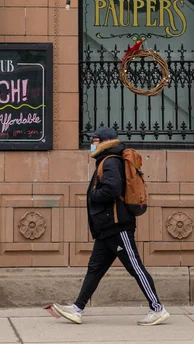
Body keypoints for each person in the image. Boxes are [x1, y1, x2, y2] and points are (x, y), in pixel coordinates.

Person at [51, 127, 169, 326]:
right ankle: (77, 308)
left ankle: (157, 308)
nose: (92, 143)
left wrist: (92, 196)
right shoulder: (108, 160)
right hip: (107, 228)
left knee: (135, 267)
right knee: (95, 269)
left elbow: (112, 190)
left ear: (105, 141)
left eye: (95, 140)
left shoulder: (111, 161)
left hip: (118, 227)